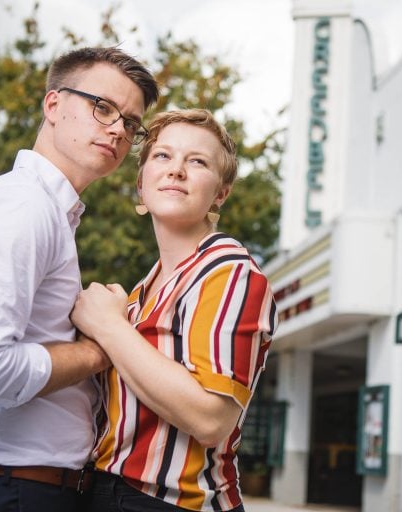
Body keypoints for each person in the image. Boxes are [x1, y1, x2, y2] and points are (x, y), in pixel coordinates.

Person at [0, 47, 159, 512]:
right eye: (102, 107)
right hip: (1, 490)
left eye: (130, 123)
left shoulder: (49, 211)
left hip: (17, 489)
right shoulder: (23, 207)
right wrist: (99, 349)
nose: (117, 130)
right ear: (53, 105)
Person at [70, 109, 278, 512]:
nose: (177, 170)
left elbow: (210, 419)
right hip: (107, 492)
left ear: (221, 193)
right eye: (162, 156)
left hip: (176, 503)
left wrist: (109, 327)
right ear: (141, 186)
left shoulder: (231, 273)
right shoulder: (140, 293)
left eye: (198, 161)